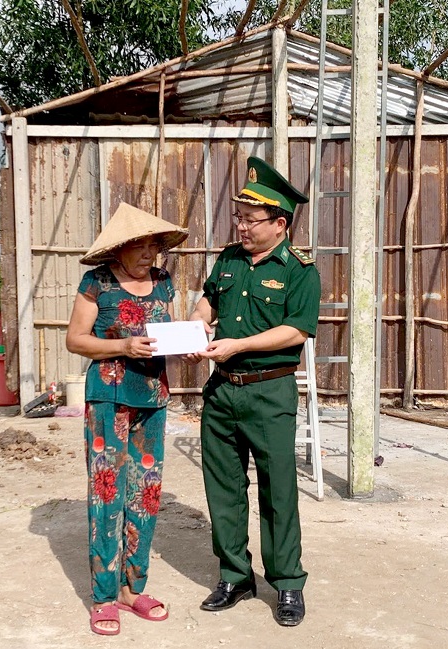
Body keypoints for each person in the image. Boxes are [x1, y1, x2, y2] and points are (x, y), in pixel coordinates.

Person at [184, 157, 320, 627]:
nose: (241, 225)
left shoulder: (300, 269)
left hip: (269, 392)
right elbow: (208, 302)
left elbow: (296, 331)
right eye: (238, 217)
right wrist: (193, 329)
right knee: (223, 489)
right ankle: (235, 576)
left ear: (279, 224)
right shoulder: (228, 259)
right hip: (222, 393)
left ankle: (286, 583)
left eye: (250, 219)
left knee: (278, 491)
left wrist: (238, 344)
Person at [66, 202, 189, 636]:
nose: (150, 254)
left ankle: (133, 589)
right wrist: (122, 347)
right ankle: (103, 596)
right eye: (142, 246)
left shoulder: (162, 282)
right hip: (109, 399)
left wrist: (186, 343)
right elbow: (76, 340)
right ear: (120, 249)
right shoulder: (96, 283)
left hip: (152, 397)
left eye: (155, 246)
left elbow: (165, 331)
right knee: (107, 495)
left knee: (146, 493)